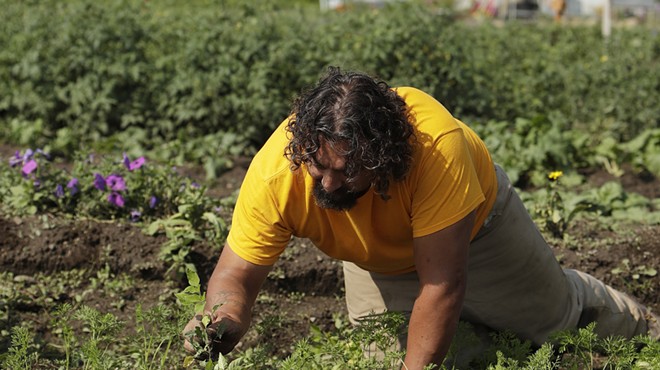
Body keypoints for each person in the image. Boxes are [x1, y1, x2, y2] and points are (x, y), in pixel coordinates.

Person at [183, 67, 659, 369]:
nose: (326, 185)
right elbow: (235, 276)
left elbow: (442, 284)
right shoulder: (277, 174)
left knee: (552, 322)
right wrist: (219, 322)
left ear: (384, 158)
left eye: (347, 173)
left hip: (477, 234)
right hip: (377, 259)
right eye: (317, 166)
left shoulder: (436, 150)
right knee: (388, 357)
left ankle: (635, 321)